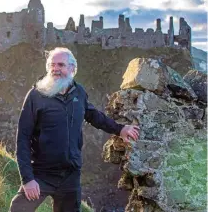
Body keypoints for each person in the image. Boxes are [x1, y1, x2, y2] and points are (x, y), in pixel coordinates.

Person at [9, 47, 139, 212]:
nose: (55, 69)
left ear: (72, 69)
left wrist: (120, 129)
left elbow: (93, 116)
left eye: (60, 65)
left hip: (70, 175)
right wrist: (27, 179)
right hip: (41, 172)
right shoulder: (36, 95)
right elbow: (23, 137)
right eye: (52, 65)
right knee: (18, 208)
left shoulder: (79, 92)